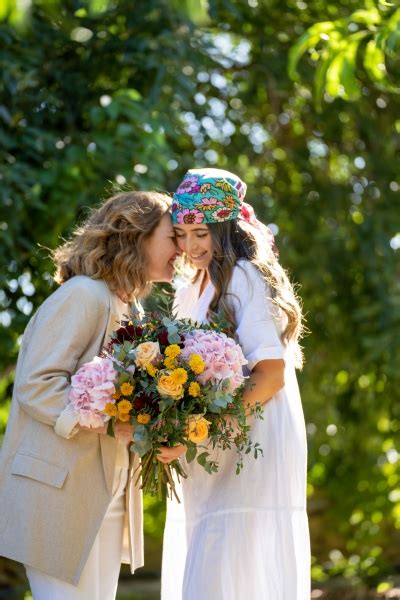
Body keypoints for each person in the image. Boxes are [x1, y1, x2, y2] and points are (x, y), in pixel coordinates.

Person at [0, 190, 180, 600]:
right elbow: (36, 384)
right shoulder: (84, 293)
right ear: (137, 235)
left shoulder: (129, 308)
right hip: (57, 493)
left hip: (104, 495)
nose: (183, 247)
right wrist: (113, 422)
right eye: (173, 237)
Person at [161, 168, 310, 600]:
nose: (190, 247)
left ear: (226, 227)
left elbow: (271, 374)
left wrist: (201, 431)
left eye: (201, 233)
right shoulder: (192, 285)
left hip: (249, 443)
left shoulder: (244, 275)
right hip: (211, 450)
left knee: (231, 564)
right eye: (182, 234)